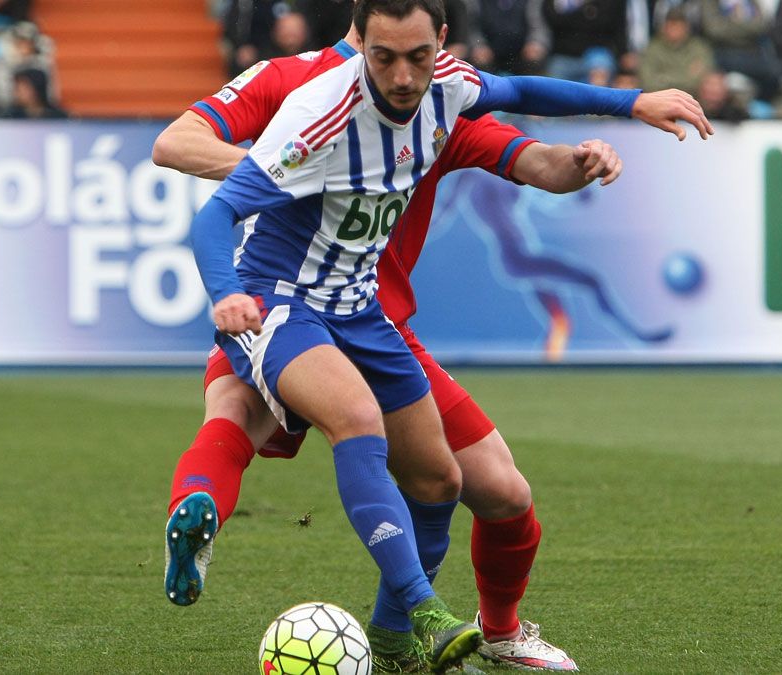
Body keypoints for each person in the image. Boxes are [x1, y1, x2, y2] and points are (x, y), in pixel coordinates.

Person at [158, 4, 711, 674]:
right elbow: (199, 180)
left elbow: (523, 102)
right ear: (361, 36)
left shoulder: (444, 89)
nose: (401, 74)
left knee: (446, 477)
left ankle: (399, 637)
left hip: (366, 312)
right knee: (316, 416)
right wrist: (237, 270)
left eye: (416, 56)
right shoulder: (309, 102)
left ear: (439, 43)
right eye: (385, 56)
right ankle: (424, 608)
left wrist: (628, 106)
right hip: (281, 300)